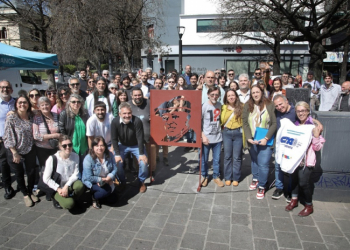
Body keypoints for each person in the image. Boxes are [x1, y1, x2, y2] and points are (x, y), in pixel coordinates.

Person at [285, 101, 325, 216]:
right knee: (294, 180)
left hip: (306, 161)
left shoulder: (313, 127)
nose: (300, 113)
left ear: (308, 111)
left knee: (303, 182)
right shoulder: (295, 124)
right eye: (298, 111)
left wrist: (316, 136)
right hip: (295, 159)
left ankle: (309, 205)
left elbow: (317, 148)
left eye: (303, 111)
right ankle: (294, 199)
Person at [4, 95, 39, 207]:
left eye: (25, 102)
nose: (22, 104)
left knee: (31, 171)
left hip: (30, 148)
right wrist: (14, 152)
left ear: (28, 104)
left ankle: (30, 191)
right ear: (16, 104)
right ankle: (25, 194)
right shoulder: (12, 117)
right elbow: (8, 136)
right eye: (20, 103)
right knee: (19, 174)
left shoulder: (31, 116)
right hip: (16, 151)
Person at [242, 85, 277, 199]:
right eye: (253, 93)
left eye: (257, 92)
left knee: (263, 163)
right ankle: (255, 178)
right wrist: (248, 138)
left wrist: (266, 138)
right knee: (254, 160)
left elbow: (274, 123)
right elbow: (245, 123)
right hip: (252, 139)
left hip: (265, 139)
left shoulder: (270, 105)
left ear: (262, 92)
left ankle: (262, 185)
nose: (255, 94)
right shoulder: (248, 105)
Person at [111, 102, 148, 193]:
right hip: (122, 145)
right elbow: (114, 139)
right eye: (124, 113)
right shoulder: (115, 122)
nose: (127, 115)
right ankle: (122, 181)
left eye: (129, 113)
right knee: (117, 162)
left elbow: (140, 138)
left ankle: (141, 181)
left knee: (143, 162)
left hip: (135, 145)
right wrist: (117, 154)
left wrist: (141, 154)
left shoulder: (137, 121)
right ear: (119, 114)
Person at [43, 135, 84, 209]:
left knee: (80, 186)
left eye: (70, 145)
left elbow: (76, 173)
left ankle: (72, 197)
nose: (68, 147)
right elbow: (46, 179)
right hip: (57, 187)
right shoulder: (52, 159)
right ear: (60, 147)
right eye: (64, 146)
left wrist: (66, 186)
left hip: (68, 184)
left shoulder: (75, 156)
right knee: (69, 204)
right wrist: (59, 189)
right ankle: (56, 198)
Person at [33, 97, 60, 198]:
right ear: (39, 107)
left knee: (55, 168)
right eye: (42, 105)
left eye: (47, 104)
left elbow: (60, 129)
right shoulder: (37, 118)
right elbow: (36, 136)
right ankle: (45, 189)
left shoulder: (56, 115)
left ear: (50, 105)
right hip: (42, 149)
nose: (45, 106)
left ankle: (53, 188)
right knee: (45, 169)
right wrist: (53, 136)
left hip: (55, 147)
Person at [271, 94, 297, 200]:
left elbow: (309, 118)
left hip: (292, 144)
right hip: (279, 143)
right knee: (278, 166)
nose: (279, 107)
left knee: (290, 167)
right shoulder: (276, 112)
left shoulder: (295, 111)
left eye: (281, 104)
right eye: (276, 106)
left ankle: (290, 190)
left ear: (286, 101)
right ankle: (279, 188)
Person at [83, 136, 118, 209]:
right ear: (93, 147)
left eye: (101, 145)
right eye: (97, 146)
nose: (99, 148)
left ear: (105, 146)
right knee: (106, 191)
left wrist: (109, 177)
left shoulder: (109, 154)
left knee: (113, 200)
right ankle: (94, 197)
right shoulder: (88, 159)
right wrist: (100, 180)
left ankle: (102, 196)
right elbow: (89, 177)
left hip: (106, 179)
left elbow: (115, 168)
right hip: (93, 181)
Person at [58, 94, 89, 175]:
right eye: (73, 102)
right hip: (71, 147)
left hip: (83, 146)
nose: (76, 103)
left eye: (78, 102)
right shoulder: (64, 114)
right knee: (73, 169)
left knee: (83, 167)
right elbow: (61, 130)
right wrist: (66, 145)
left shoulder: (85, 114)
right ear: (69, 103)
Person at [201, 86, 224, 187]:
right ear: (208, 95)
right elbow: (198, 122)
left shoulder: (220, 105)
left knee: (217, 159)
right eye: (212, 95)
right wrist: (203, 136)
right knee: (204, 159)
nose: (214, 97)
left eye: (216, 95)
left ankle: (216, 176)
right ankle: (204, 176)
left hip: (218, 138)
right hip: (207, 138)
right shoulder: (204, 106)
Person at [221, 89, 243, 187]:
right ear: (226, 97)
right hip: (227, 133)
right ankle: (228, 177)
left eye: (233, 95)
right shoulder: (223, 107)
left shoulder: (242, 106)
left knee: (237, 157)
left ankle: (236, 178)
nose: (231, 97)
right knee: (227, 156)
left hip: (238, 133)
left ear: (236, 96)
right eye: (229, 95)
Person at [0, 80, 16, 199]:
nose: (5, 89)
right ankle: (7, 186)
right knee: (4, 164)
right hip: (2, 139)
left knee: (19, 163)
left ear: (11, 89)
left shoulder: (16, 102)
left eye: (7, 87)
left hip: (16, 139)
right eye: (2, 87)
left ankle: (23, 185)